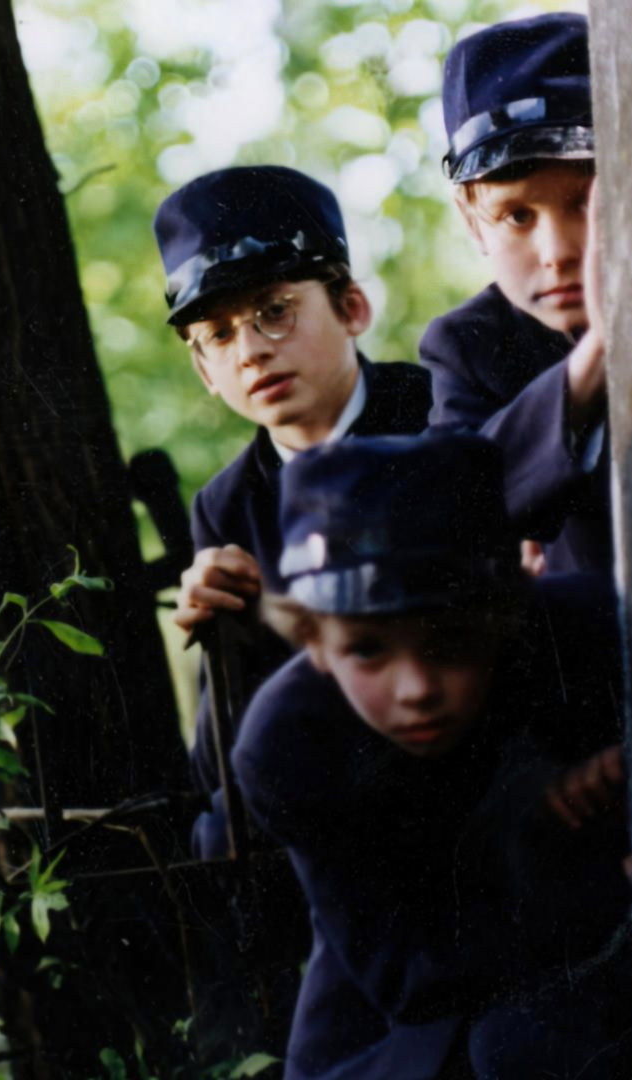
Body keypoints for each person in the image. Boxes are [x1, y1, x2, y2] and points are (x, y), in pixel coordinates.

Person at [234, 432, 632, 1079]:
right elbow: (408, 976)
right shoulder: (290, 743)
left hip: (583, 960)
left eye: (449, 640)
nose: (417, 689)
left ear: (505, 612)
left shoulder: (590, 635)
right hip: (414, 955)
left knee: (527, 1046)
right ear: (313, 641)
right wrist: (556, 852)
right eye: (368, 649)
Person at [153, 164, 435, 858]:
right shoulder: (226, 506)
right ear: (203, 369)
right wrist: (224, 631)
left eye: (275, 311)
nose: (251, 351)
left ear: (351, 308)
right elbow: (219, 768)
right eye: (219, 335)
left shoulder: (439, 417)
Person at [418, 12, 615, 576]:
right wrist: (590, 364)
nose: (557, 251)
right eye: (518, 215)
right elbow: (456, 509)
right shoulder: (468, 346)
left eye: (583, 203)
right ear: (472, 222)